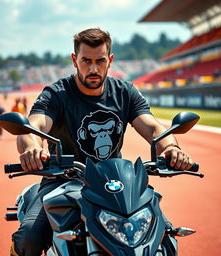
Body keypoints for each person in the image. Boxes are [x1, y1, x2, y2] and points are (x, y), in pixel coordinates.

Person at [11, 28, 194, 256]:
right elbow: (34, 126)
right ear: (74, 60)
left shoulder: (125, 92)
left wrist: (172, 148)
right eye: (86, 60)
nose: (94, 68)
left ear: (110, 60)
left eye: (100, 61)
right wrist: (32, 149)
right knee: (29, 237)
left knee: (164, 236)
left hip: (115, 184)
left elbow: (153, 127)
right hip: (61, 181)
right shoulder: (57, 94)